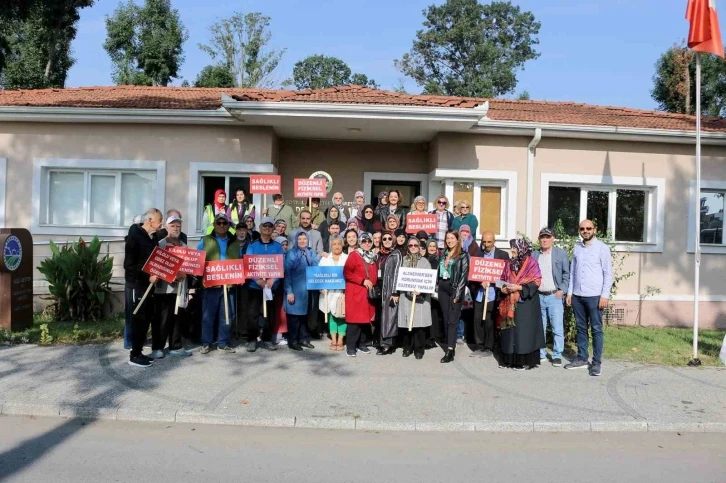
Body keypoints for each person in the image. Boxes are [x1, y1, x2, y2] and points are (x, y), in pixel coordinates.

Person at [565, 219, 613, 376]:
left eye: (588, 228)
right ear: (579, 230)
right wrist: (570, 292)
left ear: (595, 230)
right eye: (582, 228)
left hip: (595, 296)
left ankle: (597, 362)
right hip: (578, 295)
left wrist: (604, 295)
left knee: (597, 329)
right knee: (581, 328)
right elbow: (573, 272)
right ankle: (582, 357)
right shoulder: (577, 248)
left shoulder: (602, 248)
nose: (585, 231)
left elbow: (608, 273)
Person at [497, 238, 545, 371]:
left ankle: (523, 361)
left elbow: (536, 281)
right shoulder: (508, 264)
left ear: (522, 249)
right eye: (511, 247)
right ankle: (508, 360)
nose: (512, 250)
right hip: (509, 303)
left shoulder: (532, 264)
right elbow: (500, 280)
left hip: (526, 303)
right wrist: (502, 288)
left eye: (514, 248)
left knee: (524, 334)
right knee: (509, 332)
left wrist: (518, 287)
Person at [196, 213, 240, 354]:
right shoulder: (205, 240)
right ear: (214, 225)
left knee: (227, 315)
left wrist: (238, 276)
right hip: (211, 284)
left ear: (228, 225)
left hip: (229, 285)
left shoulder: (234, 242)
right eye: (219, 223)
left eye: (224, 223)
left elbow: (239, 260)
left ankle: (223, 342)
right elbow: (197, 260)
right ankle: (206, 343)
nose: (222, 225)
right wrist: (201, 275)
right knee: (208, 315)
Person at [124, 208, 162, 367]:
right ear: (150, 221)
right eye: (159, 221)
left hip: (149, 286)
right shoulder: (134, 237)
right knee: (137, 320)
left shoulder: (151, 238)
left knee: (145, 319)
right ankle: (134, 355)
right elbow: (129, 265)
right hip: (136, 285)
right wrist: (148, 276)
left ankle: (139, 351)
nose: (161, 225)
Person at [153, 215, 192, 358]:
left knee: (177, 318)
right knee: (162, 319)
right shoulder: (161, 244)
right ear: (167, 227)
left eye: (178, 226)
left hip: (180, 289)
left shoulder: (184, 246)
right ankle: (157, 347)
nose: (176, 228)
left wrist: (187, 273)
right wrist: (174, 274)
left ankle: (175, 345)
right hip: (164, 289)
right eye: (173, 226)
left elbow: (190, 265)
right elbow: (157, 265)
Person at [245, 217, 284, 353]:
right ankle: (251, 340)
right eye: (264, 226)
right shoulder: (252, 245)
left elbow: (280, 266)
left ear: (273, 228)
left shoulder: (277, 247)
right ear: (260, 228)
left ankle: (267, 339)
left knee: (269, 314)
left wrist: (273, 280)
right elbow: (249, 265)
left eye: (270, 226)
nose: (267, 228)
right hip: (255, 287)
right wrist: (258, 280)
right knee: (252, 314)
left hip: (270, 287)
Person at [532, 227, 570, 367]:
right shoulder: (534, 255)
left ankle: (557, 354)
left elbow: (567, 274)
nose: (545, 239)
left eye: (547, 237)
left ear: (553, 238)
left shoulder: (560, 254)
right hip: (539, 296)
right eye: (542, 237)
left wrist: (562, 290)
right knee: (539, 327)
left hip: (554, 295)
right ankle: (540, 353)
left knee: (557, 327)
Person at [470, 231, 509, 358]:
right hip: (480, 294)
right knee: (477, 320)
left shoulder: (503, 255)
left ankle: (489, 347)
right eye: (484, 241)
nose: (486, 244)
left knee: (489, 321)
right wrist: (479, 281)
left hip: (494, 294)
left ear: (494, 242)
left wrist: (495, 282)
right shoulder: (477, 254)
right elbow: (472, 275)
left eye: (489, 242)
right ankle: (479, 346)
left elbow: (506, 277)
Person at [284, 230, 320, 351]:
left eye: (304, 239)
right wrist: (289, 291)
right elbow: (287, 273)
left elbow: (316, 267)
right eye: (299, 239)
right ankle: (293, 341)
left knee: (305, 316)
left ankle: (304, 338)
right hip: (295, 289)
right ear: (295, 240)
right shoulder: (291, 253)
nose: (302, 241)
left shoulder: (311, 252)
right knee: (294, 317)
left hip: (309, 290)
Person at [343, 232, 378, 357]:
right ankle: (351, 346)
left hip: (367, 294)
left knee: (365, 320)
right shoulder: (354, 255)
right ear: (360, 242)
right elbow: (347, 273)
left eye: (369, 241)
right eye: (364, 241)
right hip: (356, 293)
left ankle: (361, 343)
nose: (367, 243)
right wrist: (362, 281)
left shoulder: (372, 257)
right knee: (354, 321)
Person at [398, 237, 433, 360]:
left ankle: (419, 349)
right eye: (410, 245)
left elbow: (428, 280)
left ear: (419, 247)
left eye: (415, 245)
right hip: (406, 297)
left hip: (420, 299)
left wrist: (421, 291)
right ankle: (407, 347)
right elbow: (399, 278)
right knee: (407, 323)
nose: (413, 247)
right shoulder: (403, 261)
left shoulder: (424, 262)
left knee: (419, 325)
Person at [438, 229, 469, 364]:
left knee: (452, 320)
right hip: (443, 288)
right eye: (447, 238)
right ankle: (449, 344)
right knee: (446, 319)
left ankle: (450, 350)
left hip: (455, 288)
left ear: (457, 239)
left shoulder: (462, 255)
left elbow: (463, 276)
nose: (449, 240)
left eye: (452, 238)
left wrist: (457, 294)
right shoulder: (444, 253)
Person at [319, 235, 348, 351]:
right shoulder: (325, 259)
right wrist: (320, 288)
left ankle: (341, 339)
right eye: (334, 244)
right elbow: (319, 275)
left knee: (342, 315)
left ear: (342, 245)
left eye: (339, 244)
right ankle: (334, 340)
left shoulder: (347, 258)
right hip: (328, 292)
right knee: (331, 315)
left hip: (342, 292)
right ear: (331, 245)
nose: (336, 246)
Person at [377, 230, 402, 355]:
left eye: (389, 238)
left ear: (393, 240)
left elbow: (397, 273)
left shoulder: (396, 254)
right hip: (381, 289)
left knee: (390, 317)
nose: (387, 241)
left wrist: (395, 292)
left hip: (390, 290)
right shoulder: (381, 254)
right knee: (383, 316)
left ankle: (388, 344)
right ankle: (381, 341)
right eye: (384, 239)